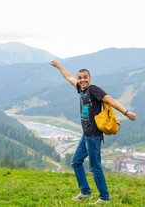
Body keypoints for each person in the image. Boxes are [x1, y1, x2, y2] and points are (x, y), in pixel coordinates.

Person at [50, 60, 136, 204]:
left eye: (85, 77)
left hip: (94, 136)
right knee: (76, 162)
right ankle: (85, 193)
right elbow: (68, 77)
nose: (82, 80)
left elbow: (111, 100)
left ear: (90, 78)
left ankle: (105, 198)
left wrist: (126, 113)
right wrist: (58, 66)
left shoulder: (94, 90)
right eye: (80, 78)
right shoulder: (81, 89)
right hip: (86, 136)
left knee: (95, 167)